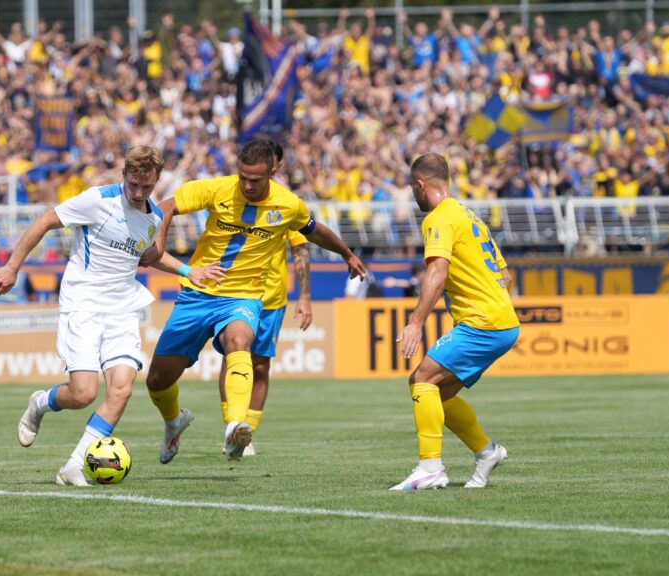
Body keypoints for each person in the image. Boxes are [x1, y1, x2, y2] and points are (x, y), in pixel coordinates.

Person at [0, 145, 223, 487]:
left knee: (122, 390)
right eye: (133, 184)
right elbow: (45, 221)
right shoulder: (97, 200)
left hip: (123, 308)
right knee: (83, 394)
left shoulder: (153, 217)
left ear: (156, 181)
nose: (138, 193)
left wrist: (189, 270)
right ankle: (40, 403)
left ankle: (72, 466)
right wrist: (12, 267)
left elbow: (147, 256)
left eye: (146, 187)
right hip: (83, 303)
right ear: (124, 175)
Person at [147, 139, 366, 463]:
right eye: (243, 177)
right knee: (157, 380)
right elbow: (167, 206)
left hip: (243, 296)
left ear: (272, 173)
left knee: (240, 342)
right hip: (198, 292)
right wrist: (160, 245)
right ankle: (174, 422)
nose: (247, 185)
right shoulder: (218, 189)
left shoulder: (287, 204)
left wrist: (347, 253)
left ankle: (237, 427)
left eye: (255, 180)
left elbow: (313, 232)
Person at [391, 153, 520, 491]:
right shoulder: (471, 216)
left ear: (421, 185)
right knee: (441, 393)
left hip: (484, 321)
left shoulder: (439, 217)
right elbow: (507, 276)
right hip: (502, 320)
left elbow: (437, 270)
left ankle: (430, 467)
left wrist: (416, 322)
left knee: (421, 379)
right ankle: (486, 452)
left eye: (412, 188)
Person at [216, 141, 311, 457]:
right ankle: (233, 424)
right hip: (237, 291)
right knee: (232, 357)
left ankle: (247, 435)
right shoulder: (238, 195)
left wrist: (305, 296)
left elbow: (300, 248)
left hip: (271, 298)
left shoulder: (286, 205)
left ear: (275, 169)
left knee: (260, 366)